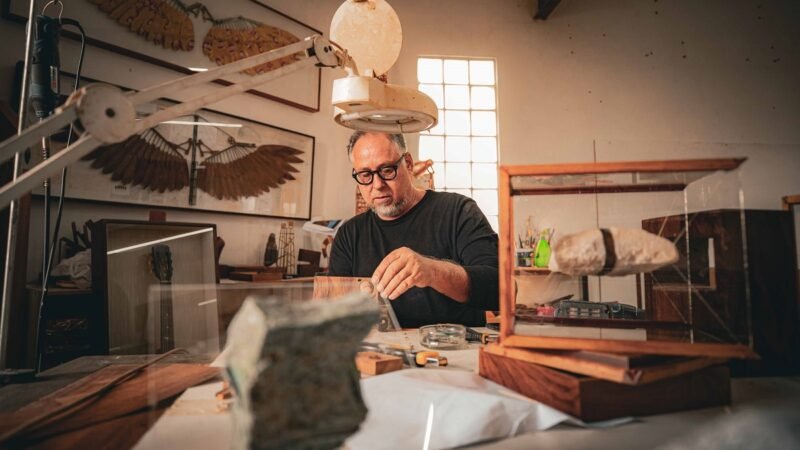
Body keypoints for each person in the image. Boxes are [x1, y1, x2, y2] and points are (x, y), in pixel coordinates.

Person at [328, 131, 498, 327]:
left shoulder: (458, 211)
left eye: (387, 170)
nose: (377, 185)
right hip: (379, 353)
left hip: (456, 350)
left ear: (408, 164)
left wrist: (433, 271)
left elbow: (499, 291)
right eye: (365, 174)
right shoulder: (349, 234)